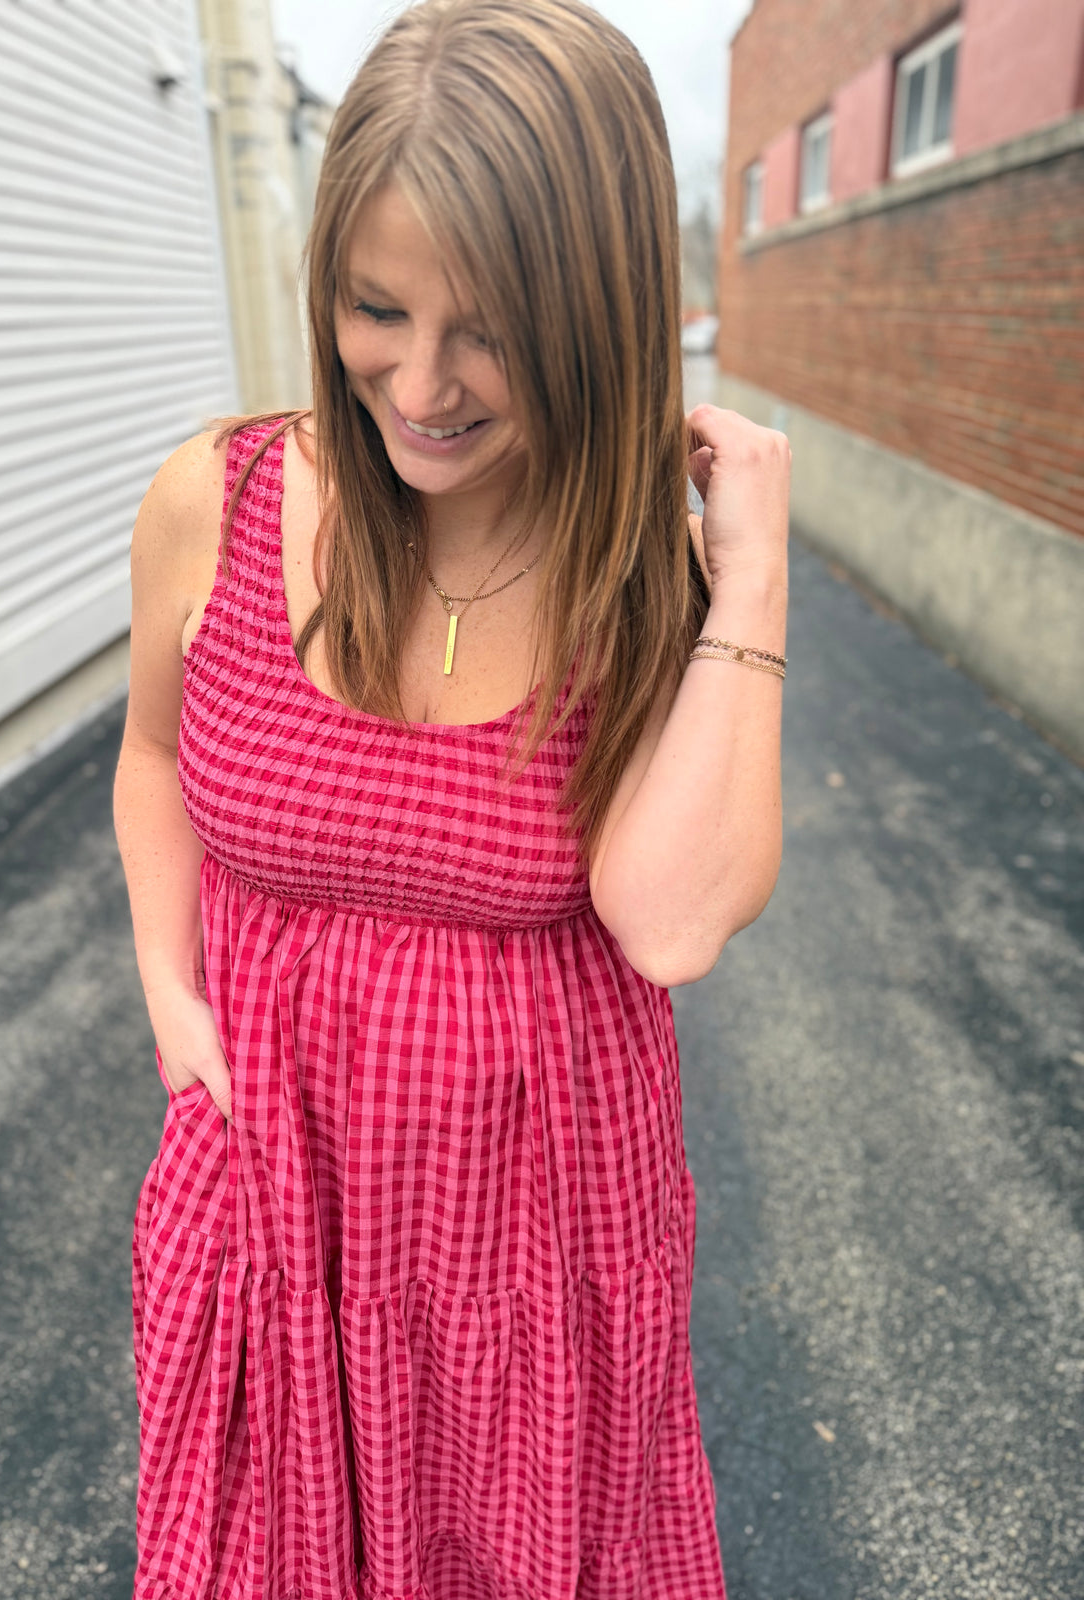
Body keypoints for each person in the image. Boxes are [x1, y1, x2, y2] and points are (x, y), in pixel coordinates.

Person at [113, 0, 789, 1594]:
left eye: (487, 329)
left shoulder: (647, 575)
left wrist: (751, 577)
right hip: (275, 1203)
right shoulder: (215, 499)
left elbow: (673, 921)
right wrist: (169, 996)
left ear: (601, 318)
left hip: (538, 1263)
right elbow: (151, 758)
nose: (419, 385)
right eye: (374, 307)